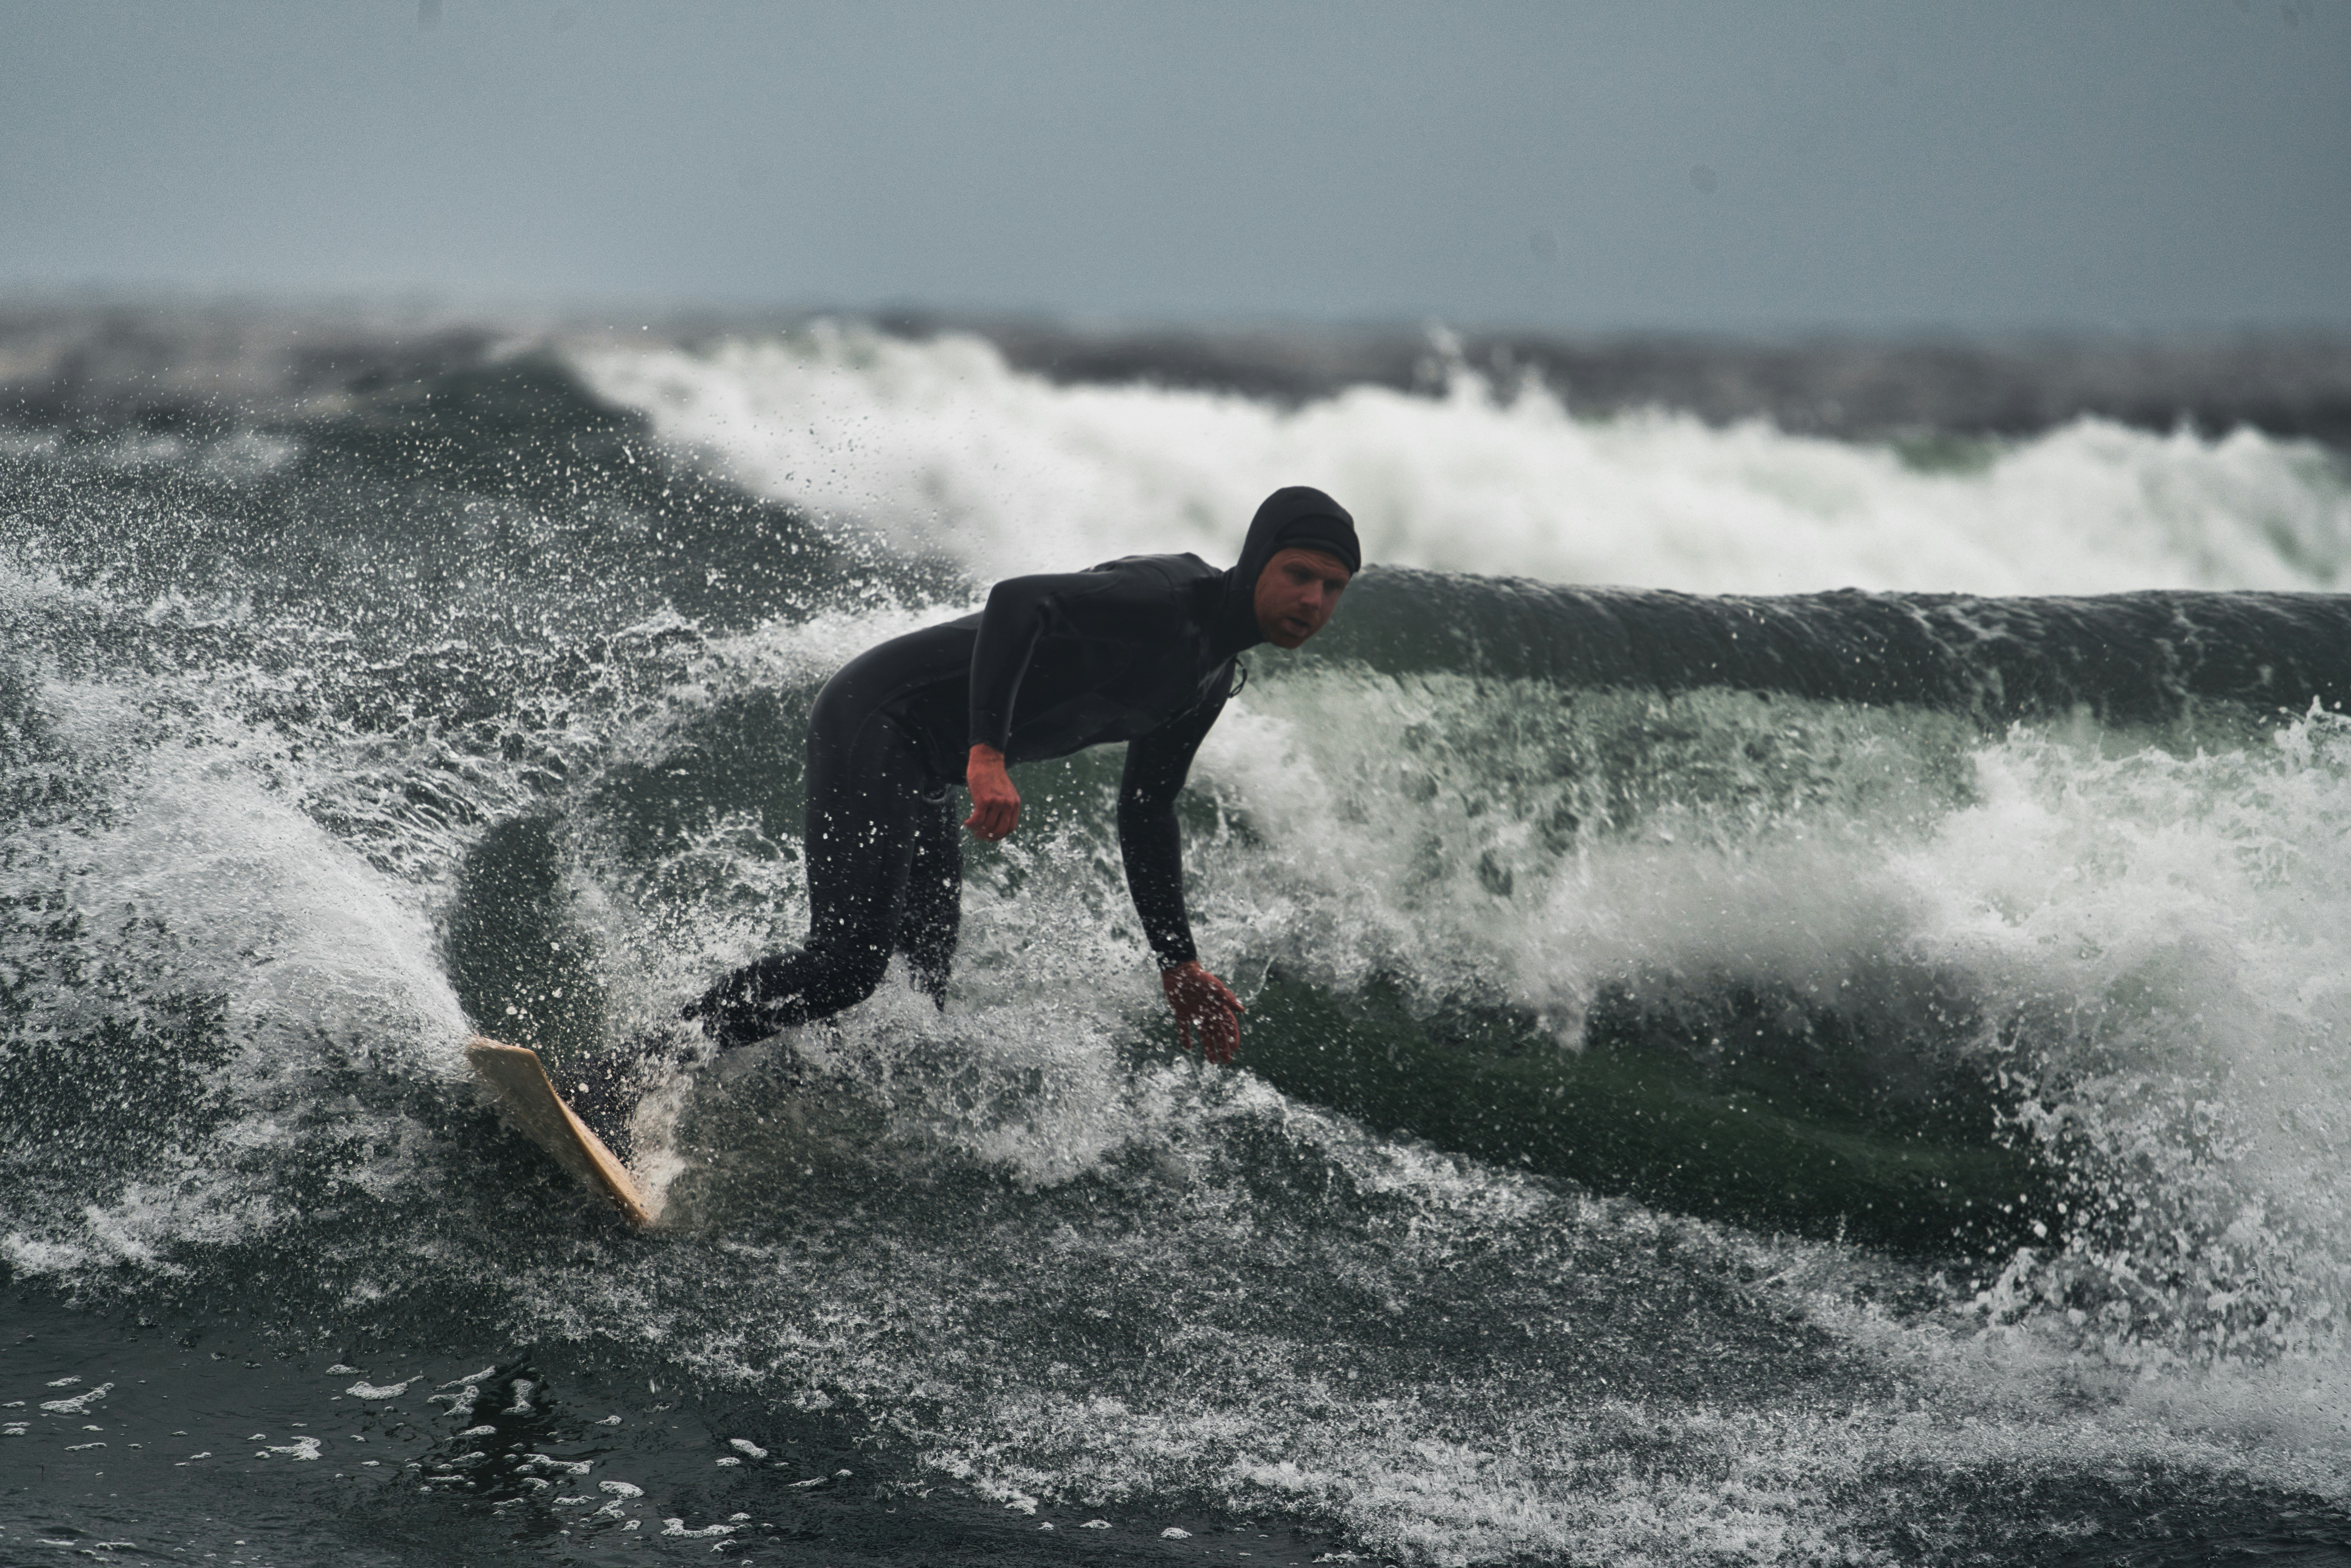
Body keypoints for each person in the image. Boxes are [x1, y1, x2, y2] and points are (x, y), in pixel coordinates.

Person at [684, 485, 1359, 1067]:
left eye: (1332, 588)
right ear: (1256, 561)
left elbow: (1148, 810)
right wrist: (987, 752)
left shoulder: (1209, 678)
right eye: (1299, 574)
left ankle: (782, 1081)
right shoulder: (1167, 598)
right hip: (880, 717)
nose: (1312, 600)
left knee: (916, 991)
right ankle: (642, 1066)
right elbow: (1018, 602)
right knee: (849, 962)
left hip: (921, 763)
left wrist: (1177, 961)